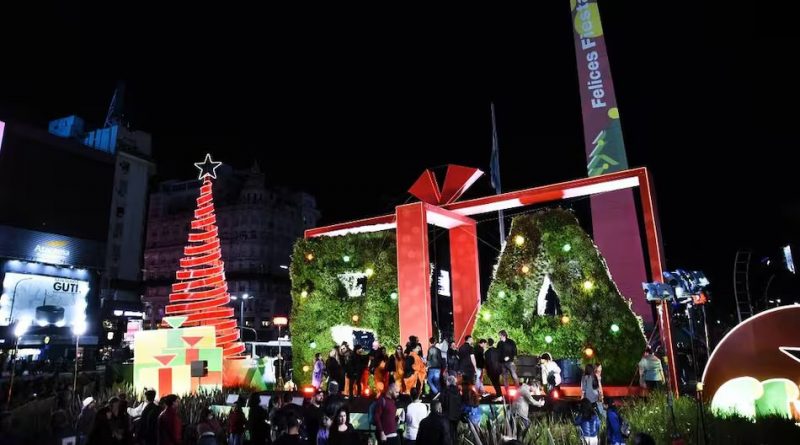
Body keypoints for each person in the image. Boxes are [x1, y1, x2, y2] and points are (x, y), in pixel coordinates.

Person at [497, 330, 519, 395]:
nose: (499, 337)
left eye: (500, 335)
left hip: (510, 362)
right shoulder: (499, 343)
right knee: (505, 378)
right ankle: (507, 392)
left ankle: (518, 390)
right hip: (502, 363)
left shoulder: (511, 342)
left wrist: (510, 358)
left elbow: (515, 352)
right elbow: (498, 353)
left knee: (514, 376)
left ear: (503, 335)